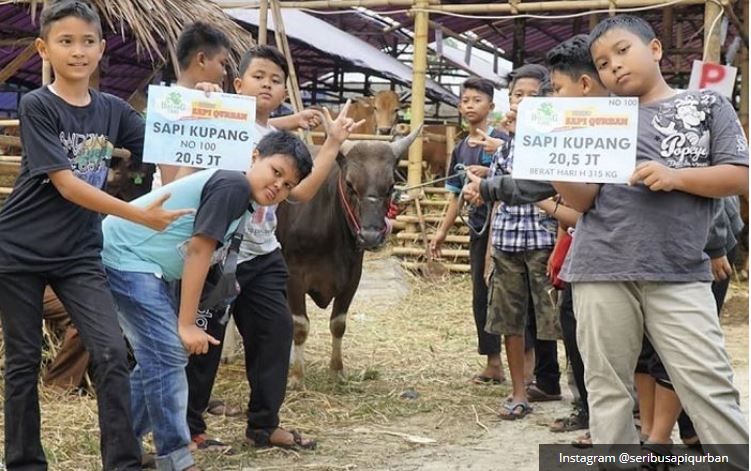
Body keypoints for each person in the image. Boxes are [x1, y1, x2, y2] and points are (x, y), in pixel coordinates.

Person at [0, 1, 190, 469]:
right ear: (45, 48)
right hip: (18, 249)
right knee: (23, 362)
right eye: (66, 42)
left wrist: (194, 100)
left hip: (79, 254)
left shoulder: (113, 110)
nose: (78, 51)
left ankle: (121, 461)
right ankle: (25, 463)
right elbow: (67, 185)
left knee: (108, 352)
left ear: (102, 49)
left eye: (88, 42)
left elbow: (166, 146)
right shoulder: (37, 105)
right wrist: (137, 215)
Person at [555, 15, 748, 469]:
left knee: (709, 383)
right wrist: (555, 156)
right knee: (606, 387)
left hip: (679, 270)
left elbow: (740, 176)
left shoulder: (706, 106)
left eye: (623, 51)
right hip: (600, 267)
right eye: (603, 63)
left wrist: (676, 176)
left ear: (656, 49)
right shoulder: (597, 118)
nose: (614, 67)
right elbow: (582, 201)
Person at [183, 45, 364, 452]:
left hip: (263, 253)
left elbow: (298, 195)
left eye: (276, 80)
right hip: (215, 254)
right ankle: (190, 427)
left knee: (277, 333)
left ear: (284, 91)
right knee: (205, 342)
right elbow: (184, 130)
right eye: (259, 75)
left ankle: (263, 426)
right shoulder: (217, 118)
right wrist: (203, 97)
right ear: (238, 84)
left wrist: (332, 143)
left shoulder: (277, 140)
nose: (267, 83)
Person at [481, 64, 562, 420]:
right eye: (518, 95)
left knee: (558, 321)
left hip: (545, 241)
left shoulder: (556, 145)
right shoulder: (502, 150)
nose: (524, 102)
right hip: (507, 244)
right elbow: (497, 202)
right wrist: (489, 255)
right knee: (508, 320)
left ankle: (580, 397)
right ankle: (518, 393)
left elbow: (564, 199)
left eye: (533, 96)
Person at [429, 77, 508, 385]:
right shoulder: (460, 148)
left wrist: (488, 183)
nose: (469, 105)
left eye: (476, 100)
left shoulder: (503, 140)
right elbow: (454, 194)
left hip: (506, 227)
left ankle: (526, 366)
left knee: (512, 293)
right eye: (465, 100)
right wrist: (441, 233)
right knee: (481, 292)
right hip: (478, 227)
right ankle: (493, 362)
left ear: (491, 106)